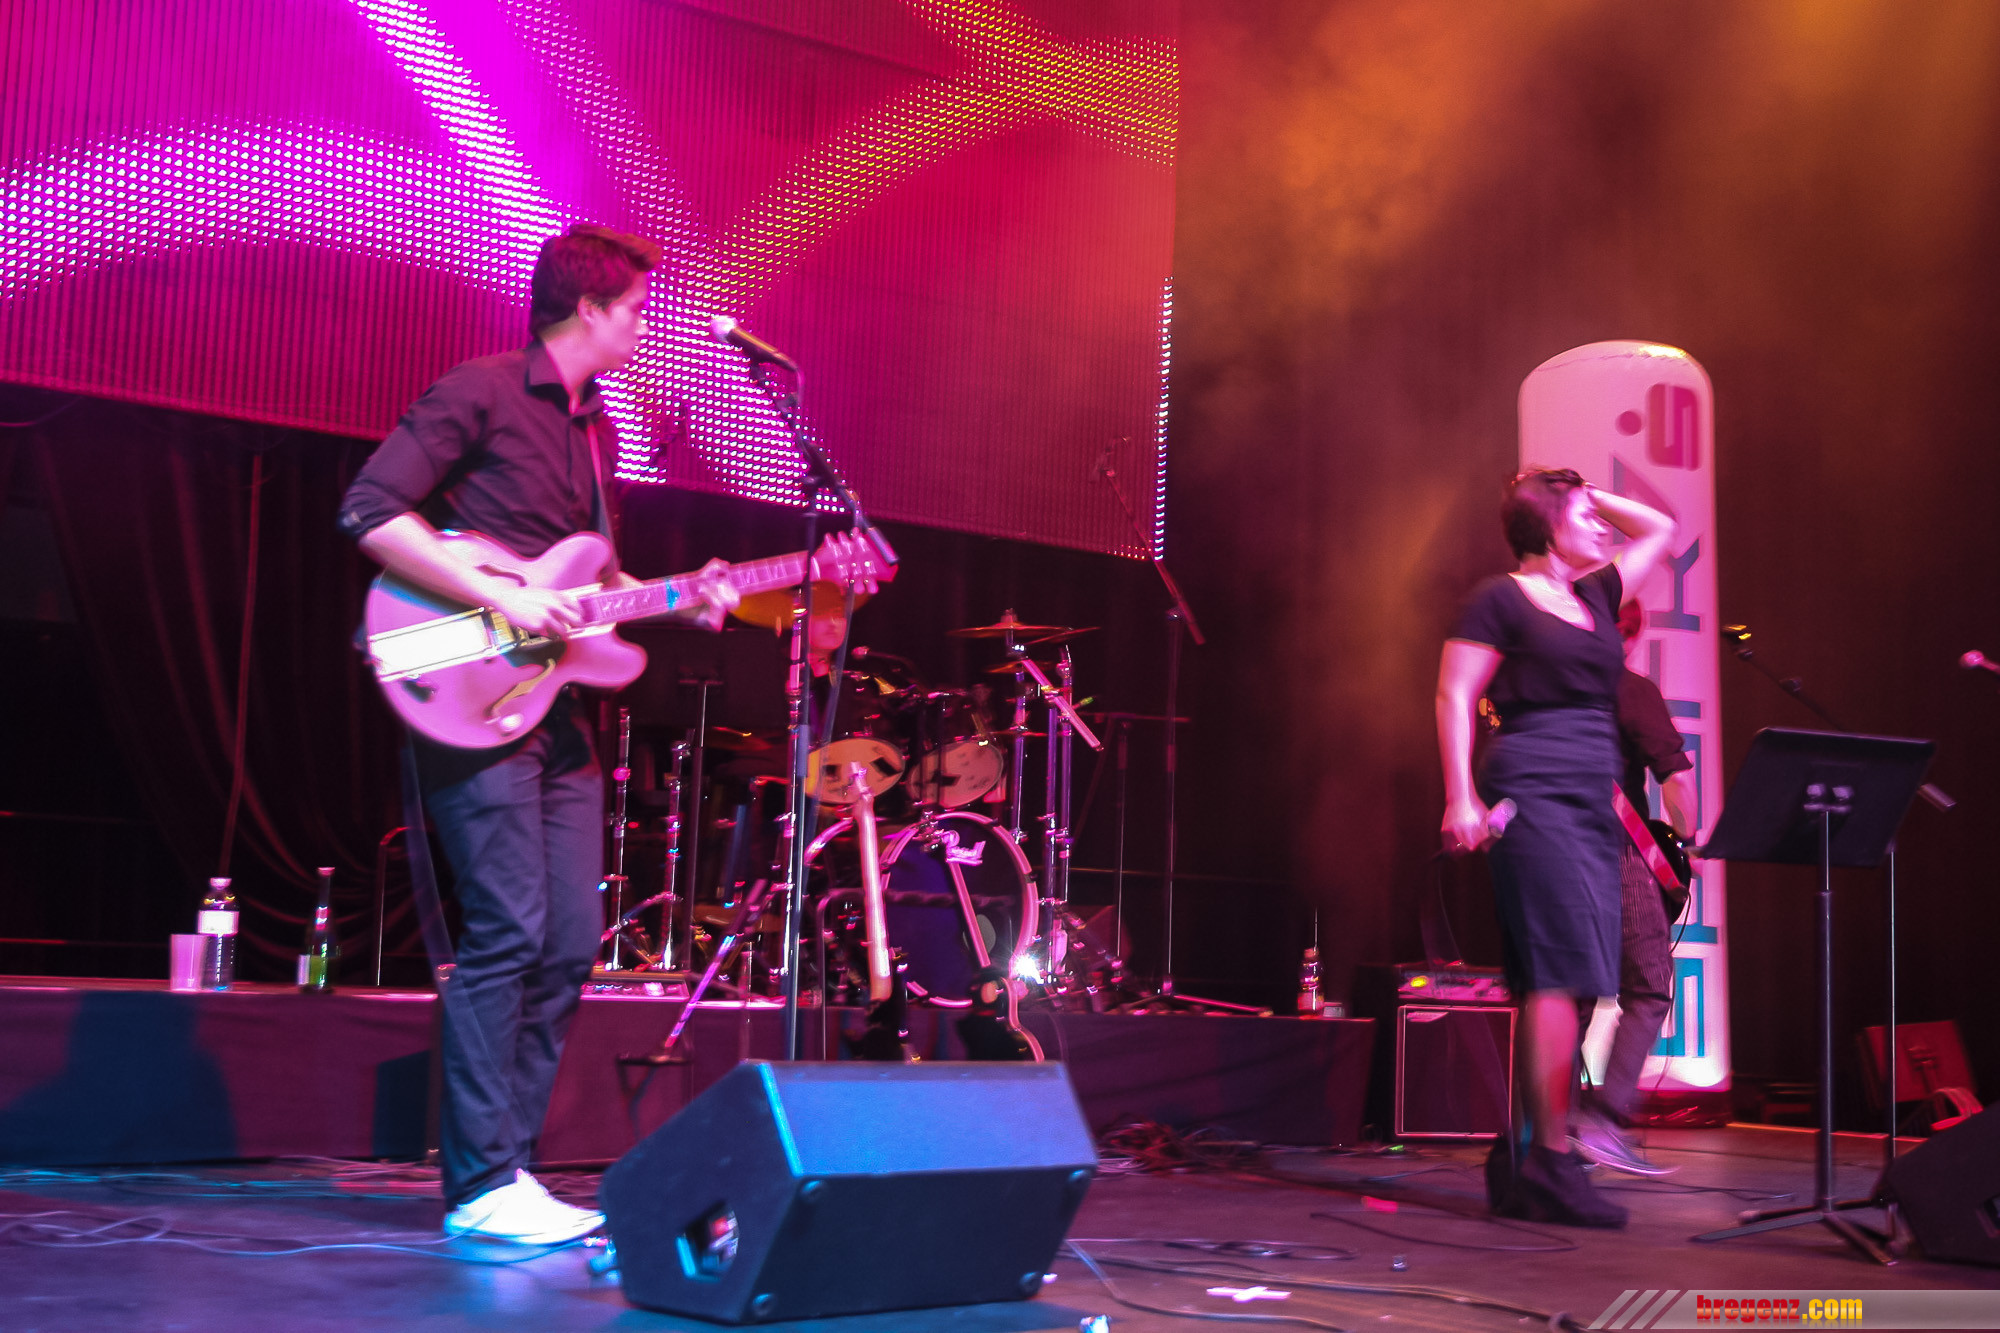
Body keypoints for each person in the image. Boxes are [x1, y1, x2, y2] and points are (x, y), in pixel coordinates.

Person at [338, 224, 737, 1244]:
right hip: (467, 688)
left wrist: (682, 597)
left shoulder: (597, 431)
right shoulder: (479, 389)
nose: (643, 327)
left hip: (553, 707)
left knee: (565, 941)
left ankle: (507, 1173)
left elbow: (588, 582)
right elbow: (371, 509)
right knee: (507, 929)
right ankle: (478, 1185)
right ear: (588, 308)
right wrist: (498, 597)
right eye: (635, 309)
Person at [1436, 468, 1674, 1227]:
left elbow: (1662, 530)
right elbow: (1454, 694)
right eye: (1582, 514)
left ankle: (1521, 1155)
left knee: (1574, 983)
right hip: (1531, 790)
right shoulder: (1499, 598)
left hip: (1591, 799)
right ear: (1543, 524)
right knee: (1556, 971)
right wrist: (1460, 795)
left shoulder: (1597, 595)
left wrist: (1585, 488)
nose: (1601, 526)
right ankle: (1550, 1162)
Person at [1569, 599, 1698, 1176]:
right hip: (1616, 852)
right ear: (1629, 634)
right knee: (1648, 989)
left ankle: (1550, 1127)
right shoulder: (1630, 688)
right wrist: (1688, 837)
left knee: (1564, 998)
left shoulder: (1549, 691)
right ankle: (1602, 1123)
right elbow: (1675, 781)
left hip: (1553, 850)